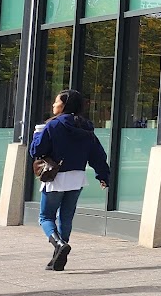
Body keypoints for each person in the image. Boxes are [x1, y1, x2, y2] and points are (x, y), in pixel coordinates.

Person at [30, 89, 110, 272]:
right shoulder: (87, 128)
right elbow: (98, 155)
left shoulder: (53, 126)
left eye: (56, 101)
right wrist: (103, 175)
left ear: (64, 104)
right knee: (66, 217)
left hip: (55, 178)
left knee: (46, 217)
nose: (53, 104)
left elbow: (36, 151)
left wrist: (37, 134)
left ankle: (59, 245)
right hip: (77, 178)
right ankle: (58, 256)